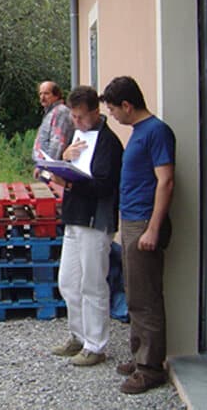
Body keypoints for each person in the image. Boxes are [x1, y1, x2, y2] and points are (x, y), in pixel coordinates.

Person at [100, 76, 175, 395]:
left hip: (145, 222)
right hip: (131, 220)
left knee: (146, 299)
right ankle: (139, 354)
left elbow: (167, 181)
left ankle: (150, 368)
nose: (113, 116)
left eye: (114, 110)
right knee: (134, 294)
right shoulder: (139, 132)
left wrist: (153, 228)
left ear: (128, 105)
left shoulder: (156, 131)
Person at [49, 86, 123, 367]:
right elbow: (62, 160)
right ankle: (78, 336)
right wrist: (63, 159)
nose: (76, 122)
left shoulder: (109, 143)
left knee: (93, 283)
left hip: (96, 219)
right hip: (74, 216)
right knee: (68, 281)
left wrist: (67, 181)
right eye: (73, 117)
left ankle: (96, 344)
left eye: (80, 117)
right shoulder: (76, 133)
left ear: (95, 112)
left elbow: (104, 185)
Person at [33, 81, 74, 177]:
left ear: (56, 96)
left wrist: (45, 166)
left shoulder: (61, 112)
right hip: (47, 167)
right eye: (40, 94)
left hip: (54, 169)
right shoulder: (50, 112)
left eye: (46, 93)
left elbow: (58, 143)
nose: (42, 97)